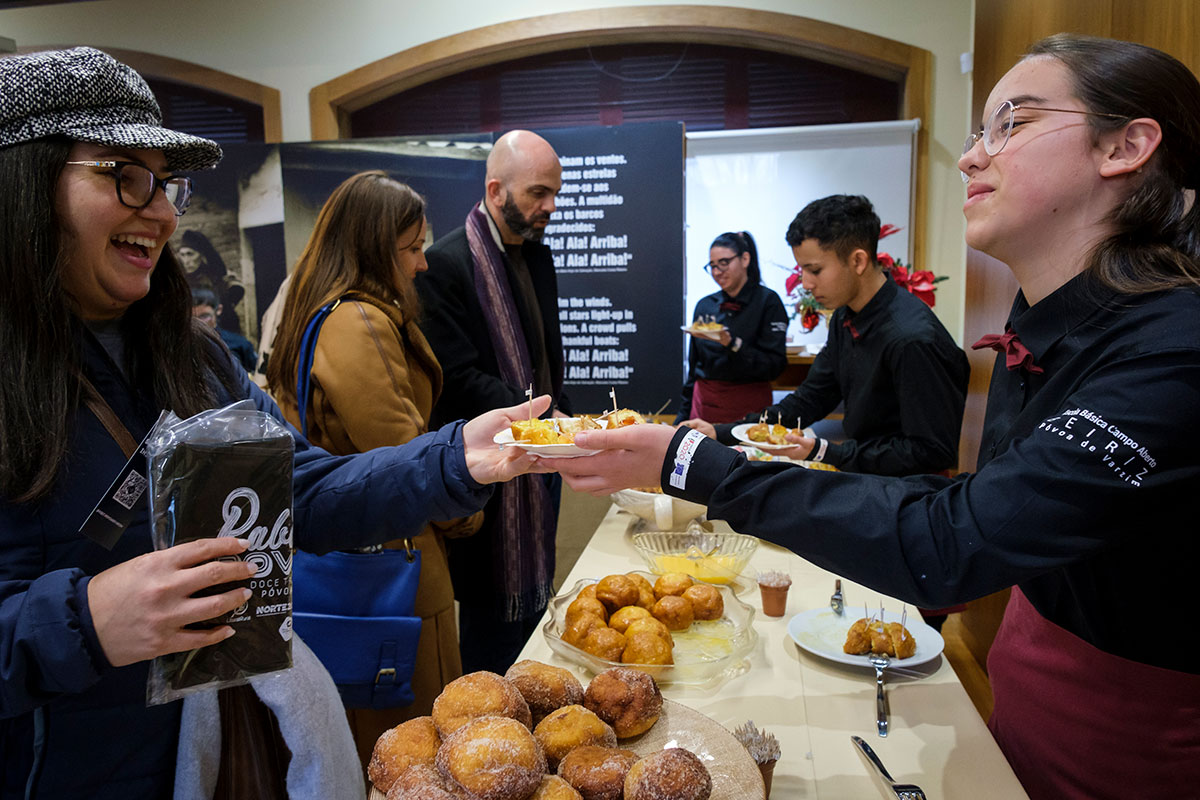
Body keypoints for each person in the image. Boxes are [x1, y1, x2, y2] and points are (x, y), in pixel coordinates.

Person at [551, 34, 1200, 799]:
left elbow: (952, 532)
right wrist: (731, 444)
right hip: (1027, 688)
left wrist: (692, 462)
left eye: (1011, 124)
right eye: (975, 133)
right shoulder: (1049, 325)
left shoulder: (1173, 351)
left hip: (1134, 736)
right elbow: (967, 500)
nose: (970, 158)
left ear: (1127, 146)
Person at [0, 47, 548, 799]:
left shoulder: (195, 361)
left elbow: (303, 492)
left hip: (213, 762)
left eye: (166, 184)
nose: (160, 211)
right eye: (125, 175)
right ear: (23, 183)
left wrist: (455, 460)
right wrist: (81, 623)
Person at [265, 170, 482, 768]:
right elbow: (402, 454)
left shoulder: (322, 311)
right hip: (394, 563)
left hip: (363, 560)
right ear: (371, 246)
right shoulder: (357, 321)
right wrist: (468, 505)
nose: (423, 264)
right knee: (415, 755)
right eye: (411, 248)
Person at [416, 129, 571, 675]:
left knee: (535, 615)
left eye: (555, 193)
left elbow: (548, 359)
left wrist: (562, 423)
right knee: (489, 634)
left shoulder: (537, 256)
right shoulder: (446, 265)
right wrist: (547, 420)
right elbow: (457, 380)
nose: (550, 206)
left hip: (542, 462)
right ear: (495, 188)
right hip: (488, 469)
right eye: (537, 193)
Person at [681, 195, 969, 476]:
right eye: (802, 270)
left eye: (814, 270)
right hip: (868, 477)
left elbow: (931, 451)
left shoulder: (911, 338)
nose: (805, 283)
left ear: (858, 261)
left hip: (910, 494)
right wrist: (724, 431)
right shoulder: (845, 316)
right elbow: (810, 399)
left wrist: (825, 451)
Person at [674, 230, 788, 424]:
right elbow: (694, 368)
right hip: (704, 407)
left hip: (749, 407)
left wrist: (733, 344)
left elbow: (774, 367)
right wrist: (681, 417)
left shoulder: (768, 302)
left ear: (745, 259)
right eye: (712, 266)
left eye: (724, 263)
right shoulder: (705, 305)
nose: (717, 272)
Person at [177, 228, 245, 334]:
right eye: (182, 255)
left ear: (200, 255)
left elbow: (237, 289)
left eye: (190, 254)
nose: (186, 261)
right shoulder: (179, 278)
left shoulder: (213, 276)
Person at [191, 286, 258, 372]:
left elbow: (257, 374)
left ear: (218, 310)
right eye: (193, 318)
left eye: (204, 316)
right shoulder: (182, 345)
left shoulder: (238, 343)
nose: (199, 322)